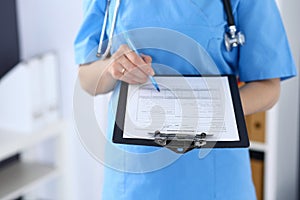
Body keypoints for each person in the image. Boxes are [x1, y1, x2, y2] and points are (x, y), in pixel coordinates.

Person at [74, 0, 297, 199]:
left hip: (216, 174)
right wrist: (113, 67)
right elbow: (87, 78)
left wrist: (201, 111)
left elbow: (268, 87)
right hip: (133, 178)